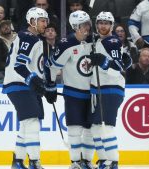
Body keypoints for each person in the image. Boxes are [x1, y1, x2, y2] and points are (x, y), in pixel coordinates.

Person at [45, 10, 95, 169]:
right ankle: (75, 162)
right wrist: (51, 85)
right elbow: (52, 66)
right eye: (83, 24)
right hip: (73, 92)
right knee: (75, 129)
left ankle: (87, 161)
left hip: (93, 93)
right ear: (75, 27)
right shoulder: (66, 44)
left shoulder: (95, 42)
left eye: (88, 23)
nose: (87, 27)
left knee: (90, 129)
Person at [2, 7, 49, 169]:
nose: (45, 24)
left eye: (46, 20)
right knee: (32, 122)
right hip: (19, 84)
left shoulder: (32, 38)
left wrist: (41, 83)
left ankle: (18, 161)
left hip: (22, 84)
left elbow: (33, 66)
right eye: (42, 20)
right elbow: (20, 66)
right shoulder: (29, 38)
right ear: (32, 22)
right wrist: (34, 80)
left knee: (26, 123)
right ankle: (35, 162)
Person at [89, 11, 132, 169]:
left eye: (106, 23)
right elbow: (126, 61)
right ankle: (103, 160)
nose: (103, 26)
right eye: (100, 22)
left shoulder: (112, 41)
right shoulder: (98, 41)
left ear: (112, 25)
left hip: (111, 89)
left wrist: (103, 62)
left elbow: (119, 68)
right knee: (95, 127)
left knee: (106, 127)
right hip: (99, 88)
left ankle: (113, 162)